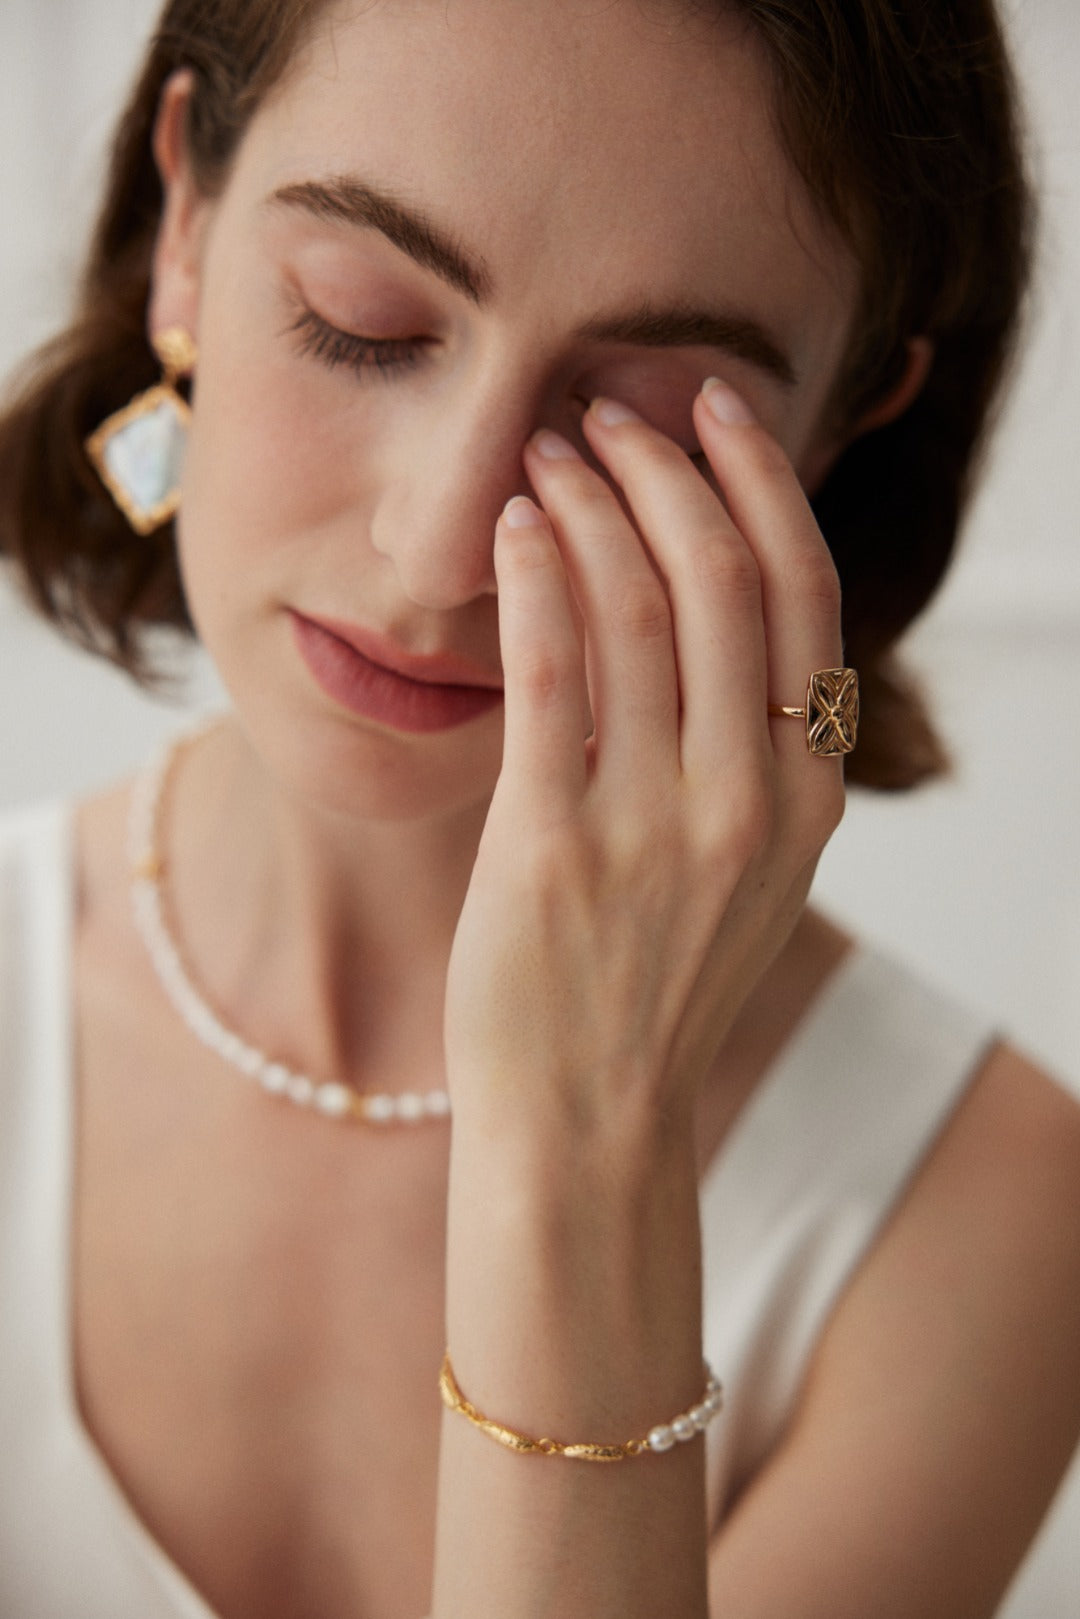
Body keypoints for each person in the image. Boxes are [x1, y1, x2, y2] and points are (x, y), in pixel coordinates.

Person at [1, 1, 1078, 1616]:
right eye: (360, 322)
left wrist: (588, 1155)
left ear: (848, 420)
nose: (439, 548)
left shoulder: (981, 1209)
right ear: (188, 226)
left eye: (628, 416)